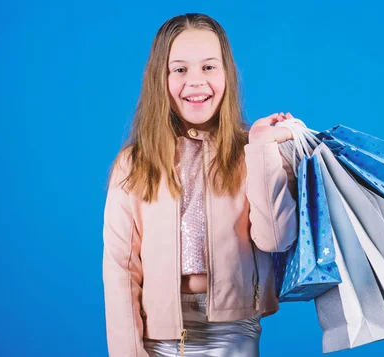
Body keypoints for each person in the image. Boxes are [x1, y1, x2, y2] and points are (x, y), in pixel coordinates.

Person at [102, 13, 299, 357]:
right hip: (159, 338)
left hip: (233, 334)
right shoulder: (133, 163)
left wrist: (263, 150)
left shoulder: (251, 152)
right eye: (180, 69)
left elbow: (276, 239)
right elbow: (121, 272)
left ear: (227, 75)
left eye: (209, 67)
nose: (196, 82)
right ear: (159, 79)